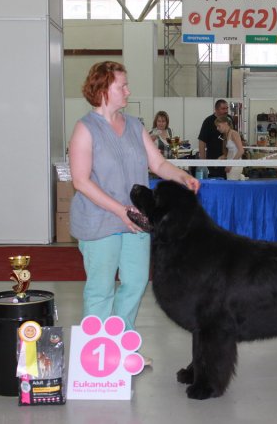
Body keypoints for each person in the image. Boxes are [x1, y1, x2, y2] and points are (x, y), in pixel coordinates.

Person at [68, 62, 200, 358]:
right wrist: (119, 210)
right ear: (103, 90)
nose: (128, 91)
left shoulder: (135, 126)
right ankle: (95, 354)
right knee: (101, 289)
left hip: (136, 220)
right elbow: (80, 180)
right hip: (99, 220)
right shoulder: (85, 129)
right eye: (122, 86)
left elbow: (158, 164)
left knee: (136, 282)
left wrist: (182, 176)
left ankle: (119, 348)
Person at [199, 99, 230, 178]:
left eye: (227, 108)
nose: (226, 111)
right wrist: (203, 163)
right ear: (216, 109)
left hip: (229, 160)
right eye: (223, 109)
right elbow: (202, 142)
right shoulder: (208, 121)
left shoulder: (229, 119)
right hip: (213, 161)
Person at [215, 115, 245, 180]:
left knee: (232, 187)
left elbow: (241, 151)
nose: (217, 128)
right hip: (231, 164)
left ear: (225, 123)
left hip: (235, 165)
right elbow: (231, 152)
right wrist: (221, 158)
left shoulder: (234, 133)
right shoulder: (226, 135)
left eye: (218, 126)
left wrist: (230, 164)